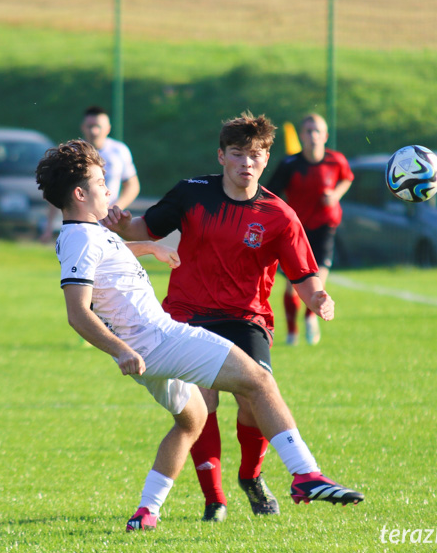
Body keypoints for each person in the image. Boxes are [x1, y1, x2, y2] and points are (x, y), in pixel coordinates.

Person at [36, 138, 363, 531]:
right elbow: (77, 313)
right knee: (258, 382)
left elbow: (107, 255)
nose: (109, 189)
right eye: (101, 182)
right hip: (157, 341)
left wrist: (147, 248)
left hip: (149, 353)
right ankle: (305, 475)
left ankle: (147, 511)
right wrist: (120, 350)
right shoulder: (79, 238)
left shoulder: (88, 232)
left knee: (191, 422)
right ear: (79, 193)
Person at [102, 112, 341, 523]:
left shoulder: (279, 214)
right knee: (203, 403)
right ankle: (215, 499)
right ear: (221, 156)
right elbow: (146, 227)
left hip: (246, 319)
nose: (246, 162)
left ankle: (251, 475)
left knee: (254, 400)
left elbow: (303, 274)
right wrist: (122, 223)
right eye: (238, 154)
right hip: (187, 314)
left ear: (266, 160)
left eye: (255, 155)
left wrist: (316, 297)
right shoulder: (192, 193)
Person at [266, 113, 353, 346]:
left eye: (317, 131)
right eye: (308, 131)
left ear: (325, 136)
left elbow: (347, 178)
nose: (313, 136)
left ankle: (309, 318)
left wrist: (334, 196)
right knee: (291, 285)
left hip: (325, 227)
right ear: (301, 135)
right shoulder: (289, 164)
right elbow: (271, 194)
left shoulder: (336, 160)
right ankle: (292, 332)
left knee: (318, 280)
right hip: (296, 231)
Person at [40, 106, 141, 242]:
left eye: (98, 126)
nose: (94, 131)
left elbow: (132, 185)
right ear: (83, 127)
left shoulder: (119, 151)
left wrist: (114, 210)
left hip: (109, 224)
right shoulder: (73, 153)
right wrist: (49, 226)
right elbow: (58, 189)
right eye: (90, 126)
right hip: (81, 226)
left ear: (108, 128)